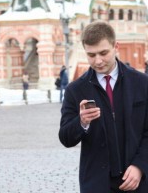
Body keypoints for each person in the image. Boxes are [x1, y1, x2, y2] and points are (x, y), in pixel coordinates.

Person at [58, 20, 148, 193]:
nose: (98, 61)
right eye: (91, 55)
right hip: (96, 183)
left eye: (103, 53)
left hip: (139, 181)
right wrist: (81, 122)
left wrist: (140, 166)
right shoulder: (75, 90)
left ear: (116, 46)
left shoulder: (142, 83)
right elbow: (65, 138)